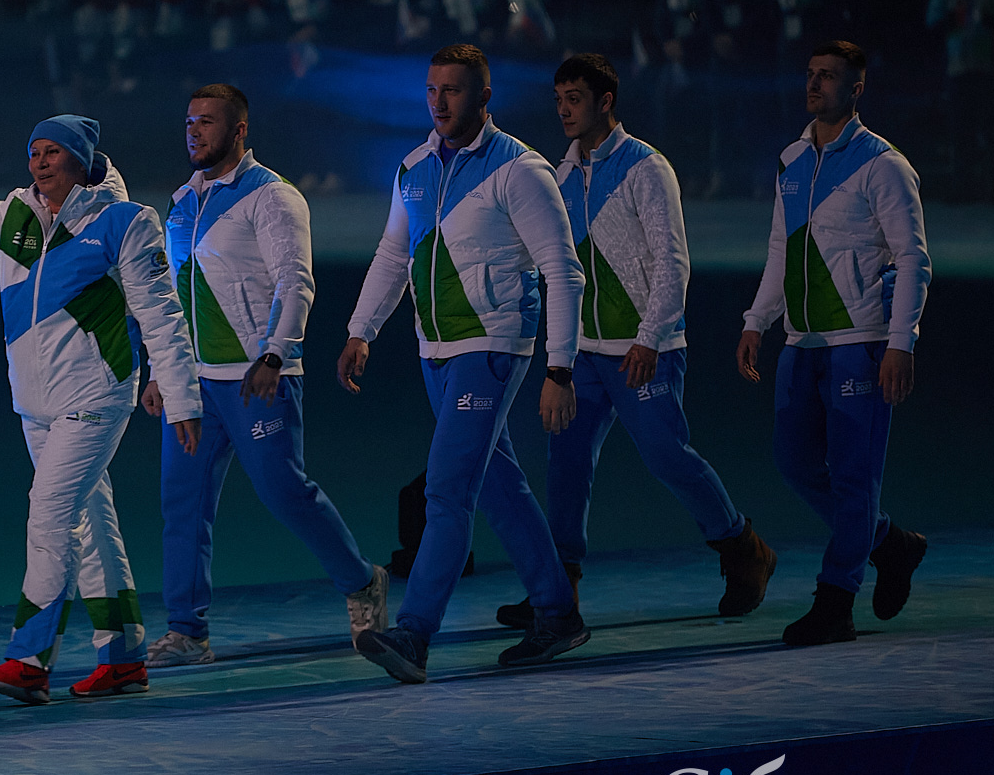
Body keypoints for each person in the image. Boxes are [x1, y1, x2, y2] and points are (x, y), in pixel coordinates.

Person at [0, 116, 203, 702]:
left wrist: (181, 397)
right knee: (92, 524)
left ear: (82, 159)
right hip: (35, 403)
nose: (41, 163)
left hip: (96, 397)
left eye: (54, 152)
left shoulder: (124, 222)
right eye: (34, 152)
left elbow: (162, 314)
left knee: (50, 516)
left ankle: (29, 661)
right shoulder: (16, 215)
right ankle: (125, 659)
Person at [493, 54, 777, 628]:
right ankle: (558, 588)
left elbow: (673, 263)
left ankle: (742, 547)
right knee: (565, 464)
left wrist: (649, 337)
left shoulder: (647, 168)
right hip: (584, 355)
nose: (565, 109)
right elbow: (553, 265)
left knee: (667, 456)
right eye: (559, 98)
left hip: (645, 350)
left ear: (606, 101)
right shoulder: (561, 174)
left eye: (576, 97)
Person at [337, 43, 589, 683]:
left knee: (447, 490)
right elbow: (395, 255)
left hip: (495, 344)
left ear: (484, 96)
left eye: (453, 90)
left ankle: (415, 634)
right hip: (436, 351)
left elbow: (563, 273)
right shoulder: (414, 166)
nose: (439, 102)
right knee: (499, 483)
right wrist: (360, 330)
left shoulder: (521, 171)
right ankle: (558, 614)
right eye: (432, 90)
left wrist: (560, 370)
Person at [143, 84, 386, 669]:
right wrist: (161, 371)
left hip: (257, 378)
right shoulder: (183, 202)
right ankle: (187, 631)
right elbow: (172, 296)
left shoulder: (273, 198)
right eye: (189, 121)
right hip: (194, 384)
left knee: (284, 492)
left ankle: (361, 582)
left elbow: (295, 280)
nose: (194, 132)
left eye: (207, 122)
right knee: (183, 504)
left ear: (240, 130)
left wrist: (276, 353)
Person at [736, 41, 931, 648]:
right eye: (812, 75)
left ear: (857, 89)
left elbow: (913, 259)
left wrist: (901, 342)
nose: (815, 85)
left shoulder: (883, 165)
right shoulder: (792, 160)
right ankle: (889, 545)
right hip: (803, 342)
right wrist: (756, 320)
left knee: (853, 478)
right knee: (794, 463)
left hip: (863, 342)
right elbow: (780, 249)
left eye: (829, 77)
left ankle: (836, 600)